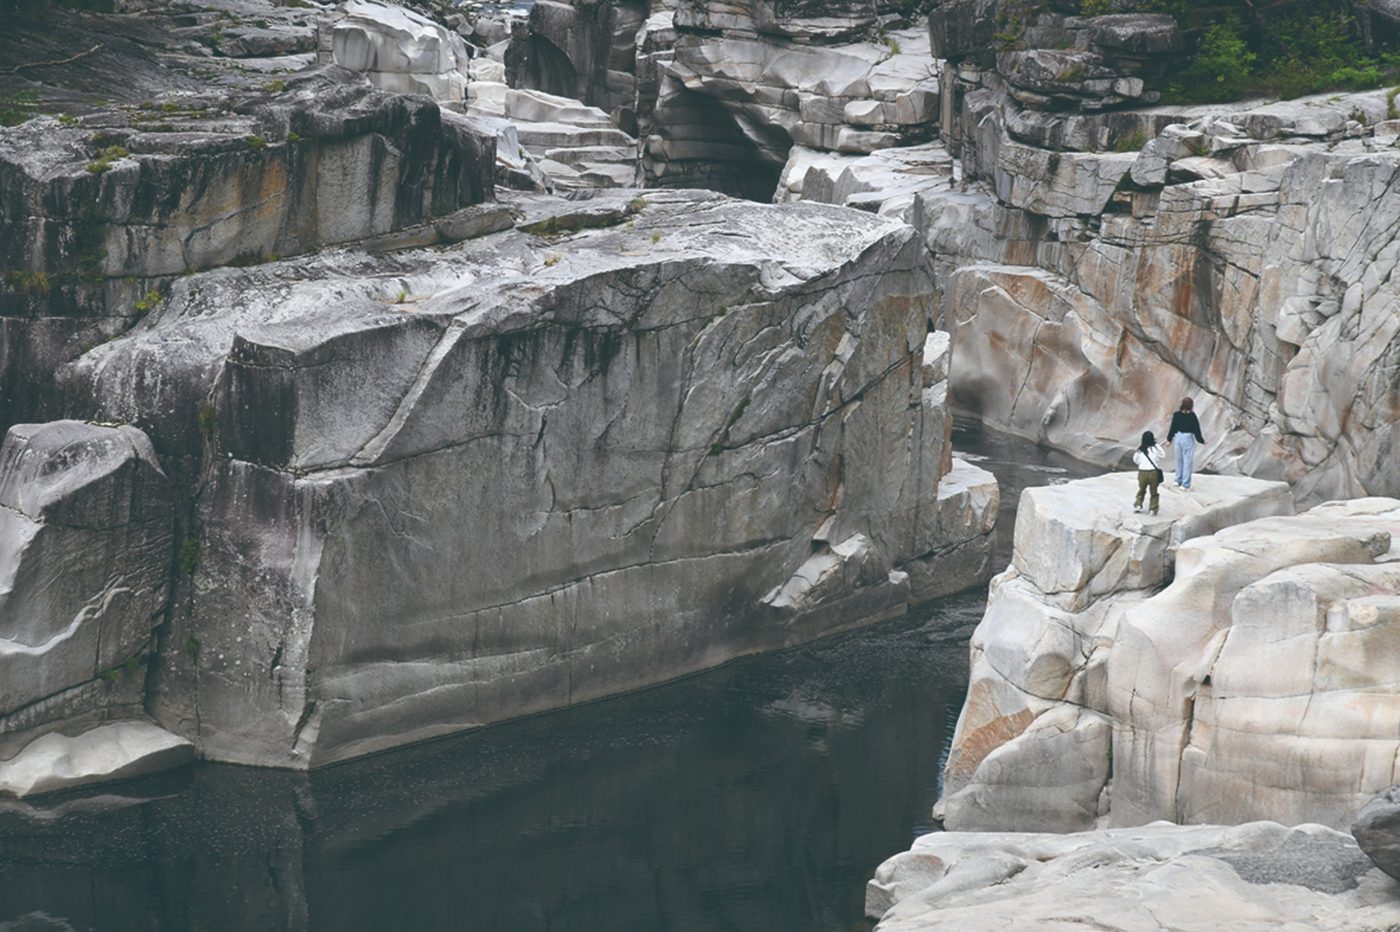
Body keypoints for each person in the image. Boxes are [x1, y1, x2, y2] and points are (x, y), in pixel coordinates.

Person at [1166, 397, 1206, 490]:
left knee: (1178, 460)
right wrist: (1202, 441)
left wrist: (1169, 439)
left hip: (1178, 437)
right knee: (1187, 461)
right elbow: (1197, 431)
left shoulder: (1176, 415)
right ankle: (1185, 484)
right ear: (1191, 405)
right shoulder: (1192, 416)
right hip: (1187, 438)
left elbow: (1173, 428)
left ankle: (1177, 480)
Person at [1133, 430, 1164, 515]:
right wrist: (1156, 445)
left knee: (1142, 489)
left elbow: (1135, 460)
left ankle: (1138, 505)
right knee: (1154, 492)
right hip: (1153, 472)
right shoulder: (1155, 448)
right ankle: (1153, 509)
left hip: (1142, 471)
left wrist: (1142, 463)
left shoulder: (1140, 449)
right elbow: (1163, 455)